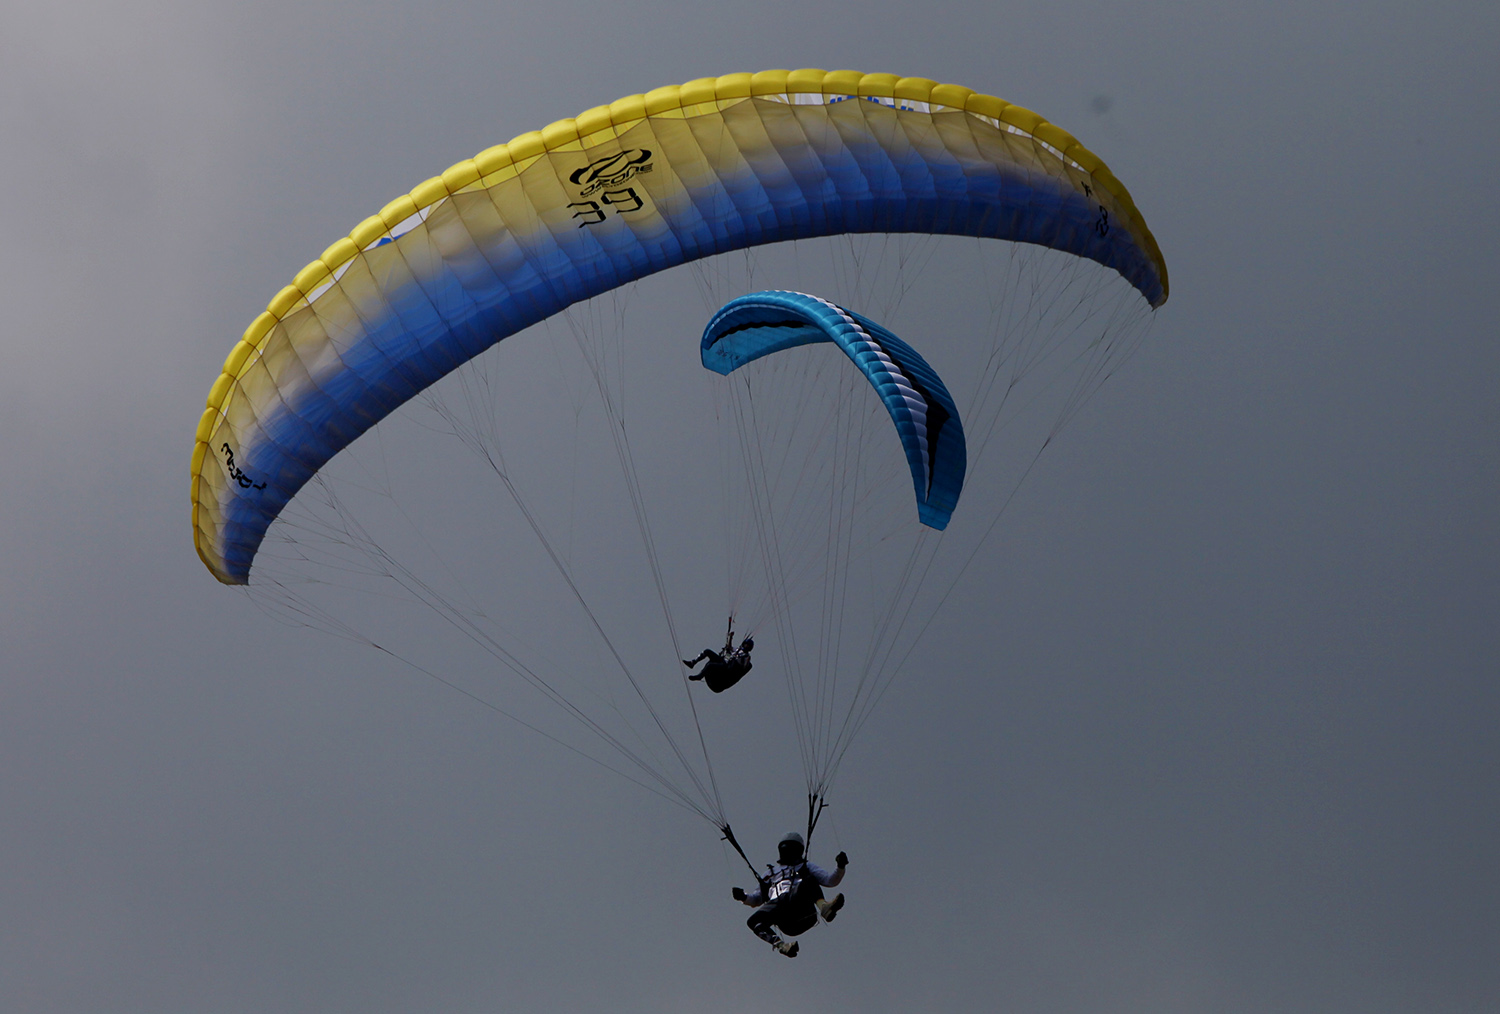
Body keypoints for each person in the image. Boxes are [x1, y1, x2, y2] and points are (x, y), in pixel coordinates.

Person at [732, 832, 847, 957]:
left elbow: (830, 880)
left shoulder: (805, 866)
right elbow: (756, 899)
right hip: (783, 916)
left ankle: (824, 908)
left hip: (801, 910)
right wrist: (743, 896)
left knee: (808, 880)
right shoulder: (769, 873)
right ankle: (781, 946)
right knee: (753, 921)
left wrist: (840, 867)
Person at [682, 633, 754, 693]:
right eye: (745, 644)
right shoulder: (737, 649)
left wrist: (738, 658)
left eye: (747, 646)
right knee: (707, 651)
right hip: (725, 661)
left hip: (728, 669)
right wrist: (730, 637)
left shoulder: (746, 656)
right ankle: (692, 663)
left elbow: (744, 667)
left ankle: (699, 676)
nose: (746, 646)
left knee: (710, 665)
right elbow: (729, 648)